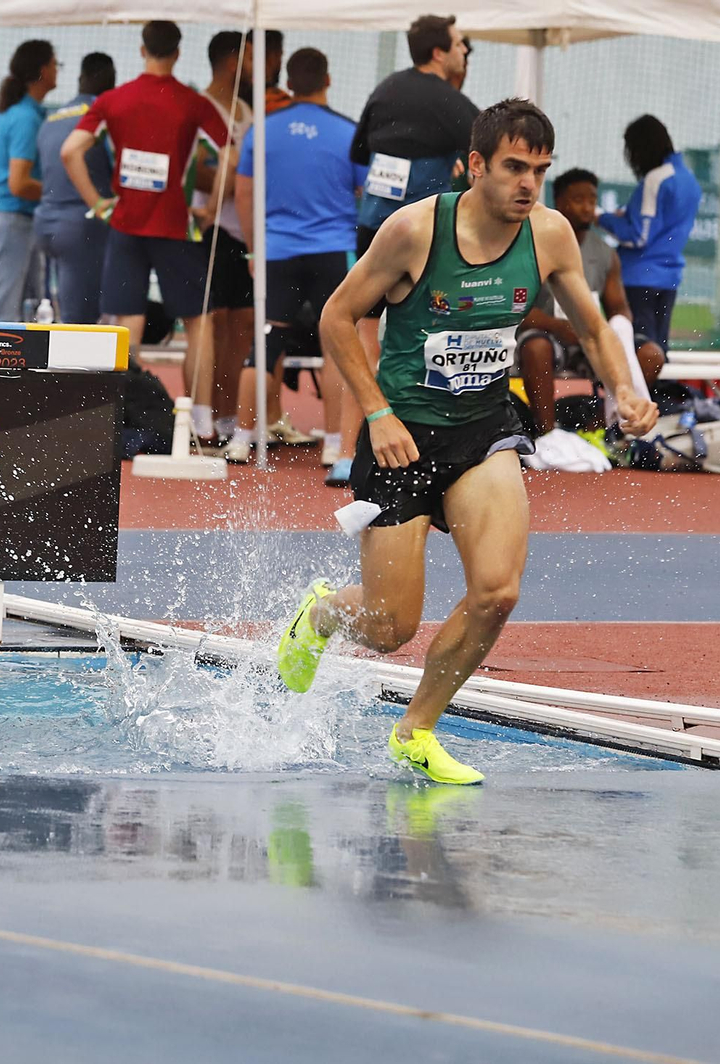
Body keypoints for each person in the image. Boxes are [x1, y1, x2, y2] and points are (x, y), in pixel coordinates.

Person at [276, 99, 658, 785]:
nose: (528, 186)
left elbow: (595, 327)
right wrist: (377, 411)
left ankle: (415, 730)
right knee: (391, 626)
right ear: (475, 165)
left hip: (483, 430)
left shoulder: (549, 235)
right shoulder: (414, 231)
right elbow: (337, 317)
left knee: (498, 592)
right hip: (402, 436)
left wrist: (625, 389)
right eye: (514, 168)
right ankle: (324, 611)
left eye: (538, 170)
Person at [61, 20, 230, 440]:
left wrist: (97, 203)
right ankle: (201, 419)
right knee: (198, 322)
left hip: (126, 224)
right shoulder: (192, 101)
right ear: (177, 52)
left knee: (127, 321)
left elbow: (70, 151)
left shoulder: (113, 100)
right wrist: (209, 207)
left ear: (141, 49)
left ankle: (122, 412)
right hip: (175, 224)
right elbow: (230, 150)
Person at [328, 15, 477, 487]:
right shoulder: (455, 104)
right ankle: (435, 446)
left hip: (373, 230)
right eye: (459, 46)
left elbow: (358, 153)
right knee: (432, 344)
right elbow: (486, 163)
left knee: (364, 343)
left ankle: (347, 451)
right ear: (439, 52)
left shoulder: (385, 90)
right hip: (424, 240)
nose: (463, 53)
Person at [225, 49, 365, 464]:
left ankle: (240, 438)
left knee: (265, 343)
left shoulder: (263, 130)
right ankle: (337, 447)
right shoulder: (349, 132)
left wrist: (254, 247)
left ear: (288, 82)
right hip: (333, 251)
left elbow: (243, 193)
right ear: (329, 80)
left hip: (277, 251)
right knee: (336, 345)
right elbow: (364, 194)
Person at [516, 168, 662, 440]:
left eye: (592, 200)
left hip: (591, 338)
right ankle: (548, 436)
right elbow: (518, 310)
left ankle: (601, 429)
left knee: (651, 354)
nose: (587, 207)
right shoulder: (536, 245)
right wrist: (559, 326)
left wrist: (609, 329)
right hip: (551, 337)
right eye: (578, 200)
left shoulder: (605, 253)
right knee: (536, 347)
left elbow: (619, 309)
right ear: (560, 203)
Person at [194, 32, 264, 442]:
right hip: (212, 229)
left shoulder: (246, 110)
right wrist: (235, 178)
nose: (261, 65)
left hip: (245, 229)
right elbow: (199, 171)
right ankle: (201, 416)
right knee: (214, 324)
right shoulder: (202, 107)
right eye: (253, 56)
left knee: (243, 324)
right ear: (233, 60)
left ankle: (227, 416)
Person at [598, 115, 702, 352]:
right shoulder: (688, 179)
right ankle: (657, 391)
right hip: (668, 278)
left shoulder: (656, 179)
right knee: (657, 350)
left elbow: (638, 236)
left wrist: (600, 218)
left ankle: (638, 392)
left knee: (638, 351)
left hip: (638, 278)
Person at [0, 40, 58, 322]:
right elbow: (19, 183)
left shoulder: (22, 113)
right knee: (3, 308)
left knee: (23, 307)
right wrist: (59, 192)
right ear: (43, 70)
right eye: (55, 63)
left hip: (14, 220)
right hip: (10, 220)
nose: (58, 70)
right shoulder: (25, 118)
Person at [34, 52, 116, 325]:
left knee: (47, 314)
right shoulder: (101, 115)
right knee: (80, 322)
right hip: (81, 225)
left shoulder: (53, 117)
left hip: (45, 221)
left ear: (80, 79)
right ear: (112, 83)